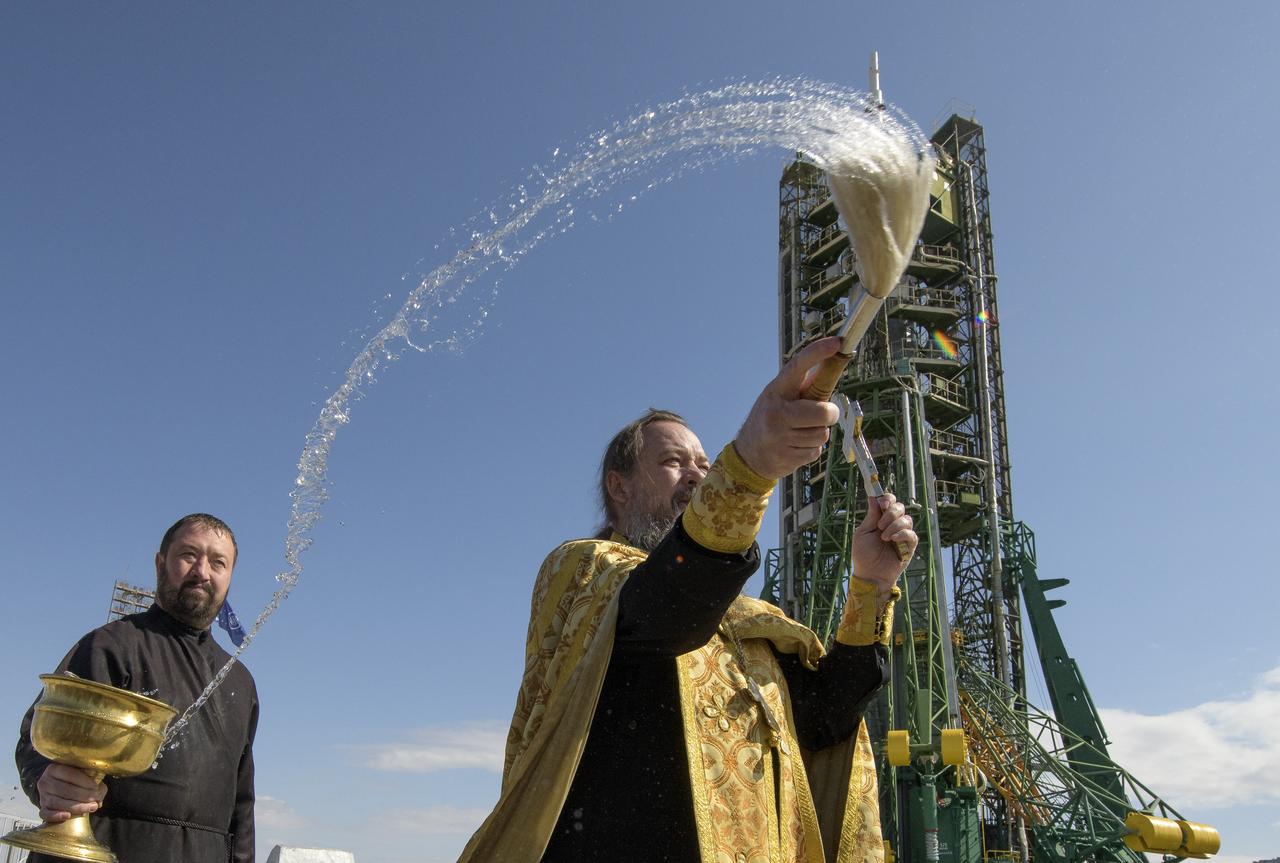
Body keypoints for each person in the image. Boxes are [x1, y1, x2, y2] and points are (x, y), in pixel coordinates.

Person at [459, 337, 917, 863]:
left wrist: (873, 584)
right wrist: (748, 467)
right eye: (675, 461)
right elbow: (664, 615)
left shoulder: (754, 625)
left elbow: (825, 721)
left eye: (706, 462)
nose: (699, 474)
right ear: (620, 487)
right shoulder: (584, 572)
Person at [15, 513, 259, 863]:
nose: (202, 572)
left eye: (218, 562)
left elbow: (241, 804)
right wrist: (45, 779)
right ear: (161, 564)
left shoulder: (240, 681)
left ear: (230, 577)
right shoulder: (110, 646)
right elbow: (35, 738)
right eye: (189, 555)